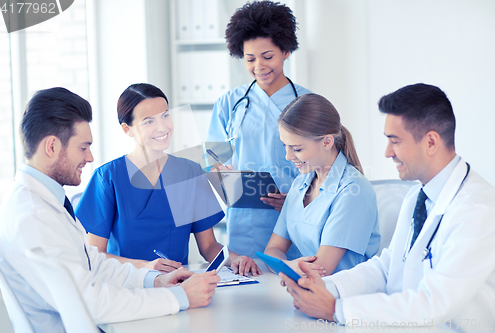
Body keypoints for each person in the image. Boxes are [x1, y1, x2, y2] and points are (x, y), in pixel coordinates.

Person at [0, 87, 221, 332]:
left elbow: (93, 264)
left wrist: (156, 280)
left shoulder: (44, 203)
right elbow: (89, 300)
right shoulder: (33, 216)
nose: (90, 157)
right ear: (51, 147)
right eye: (83, 147)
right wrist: (179, 297)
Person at [281, 83, 495, 325]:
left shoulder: (477, 210)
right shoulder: (417, 196)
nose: (387, 152)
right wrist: (326, 287)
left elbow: (433, 303)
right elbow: (386, 268)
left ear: (431, 142)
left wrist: (337, 310)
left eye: (395, 141)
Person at [76, 83, 260, 276]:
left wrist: (236, 258)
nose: (162, 127)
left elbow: (209, 247)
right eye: (148, 121)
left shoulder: (190, 172)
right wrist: (144, 267)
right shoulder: (109, 177)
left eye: (165, 115)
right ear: (127, 129)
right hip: (126, 287)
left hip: (178, 286)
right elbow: (95, 254)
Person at [206, 0, 310, 259]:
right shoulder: (229, 103)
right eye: (250, 59)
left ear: (286, 51)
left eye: (267, 57)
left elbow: (327, 167)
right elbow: (213, 161)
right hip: (245, 222)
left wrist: (302, 202)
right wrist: (223, 176)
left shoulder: (309, 104)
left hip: (297, 220)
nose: (259, 67)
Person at [264, 93, 380, 276]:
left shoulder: (353, 190)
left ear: (327, 142)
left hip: (343, 296)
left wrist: (285, 266)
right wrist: (289, 266)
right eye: (285, 146)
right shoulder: (300, 183)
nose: (288, 156)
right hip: (304, 289)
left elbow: (320, 270)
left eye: (297, 149)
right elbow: (272, 250)